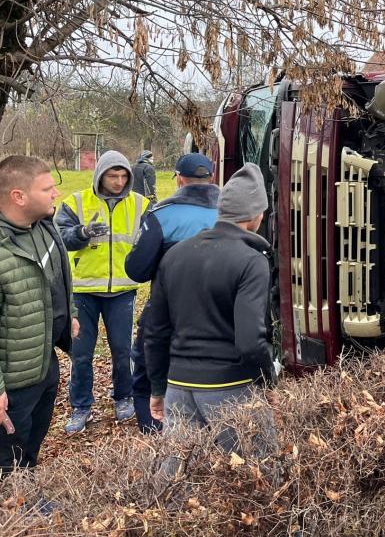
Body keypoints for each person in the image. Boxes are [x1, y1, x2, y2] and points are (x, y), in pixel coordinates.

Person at [143, 163, 275, 452]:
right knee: (256, 479)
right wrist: (268, 380)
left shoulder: (175, 255)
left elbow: (154, 331)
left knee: (180, 483)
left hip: (178, 388)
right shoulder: (252, 261)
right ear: (257, 214)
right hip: (232, 388)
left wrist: (157, 387)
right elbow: (251, 341)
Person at [56, 151, 149, 435]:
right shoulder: (77, 202)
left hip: (122, 290)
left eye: (123, 176)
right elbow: (60, 238)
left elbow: (149, 242)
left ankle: (123, 397)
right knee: (81, 353)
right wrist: (82, 233)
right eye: (113, 176)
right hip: (84, 291)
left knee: (123, 350)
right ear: (100, 175)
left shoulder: (140, 204)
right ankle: (81, 406)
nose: (119, 181)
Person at [125, 153, 218, 433]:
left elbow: (137, 269)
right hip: (223, 308)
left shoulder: (161, 214)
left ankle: (155, 430)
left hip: (169, 308)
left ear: (179, 178)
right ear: (211, 178)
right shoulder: (234, 212)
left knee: (146, 364)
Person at [0, 156, 79, 472]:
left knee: (30, 447)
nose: (55, 194)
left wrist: (69, 313)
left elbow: (59, 277)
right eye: (47, 188)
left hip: (44, 364)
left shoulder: (44, 227)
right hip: (13, 380)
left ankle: (26, 492)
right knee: (8, 459)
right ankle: (17, 514)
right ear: (18, 196)